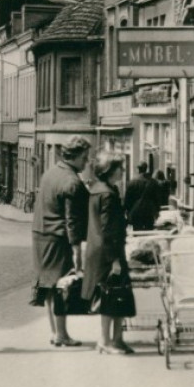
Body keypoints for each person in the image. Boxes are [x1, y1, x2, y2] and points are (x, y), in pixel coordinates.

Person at [31, 135, 91, 348]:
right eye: (84, 157)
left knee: (50, 286)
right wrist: (76, 250)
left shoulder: (51, 173)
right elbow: (71, 220)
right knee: (61, 287)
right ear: (74, 156)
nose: (87, 162)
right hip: (57, 238)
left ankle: (56, 331)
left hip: (41, 235)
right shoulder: (71, 181)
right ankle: (61, 334)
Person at [83, 152, 136, 355]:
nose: (123, 171)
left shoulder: (100, 189)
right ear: (110, 171)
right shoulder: (107, 194)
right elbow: (108, 229)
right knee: (110, 296)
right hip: (108, 253)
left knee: (118, 295)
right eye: (120, 168)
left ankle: (117, 339)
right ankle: (106, 340)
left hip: (102, 250)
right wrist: (114, 259)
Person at [123, 161, 160, 231]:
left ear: (138, 169)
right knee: (149, 234)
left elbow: (128, 198)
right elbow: (157, 198)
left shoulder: (132, 182)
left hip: (136, 212)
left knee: (137, 233)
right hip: (149, 212)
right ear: (146, 169)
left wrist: (127, 210)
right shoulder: (153, 182)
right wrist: (157, 211)